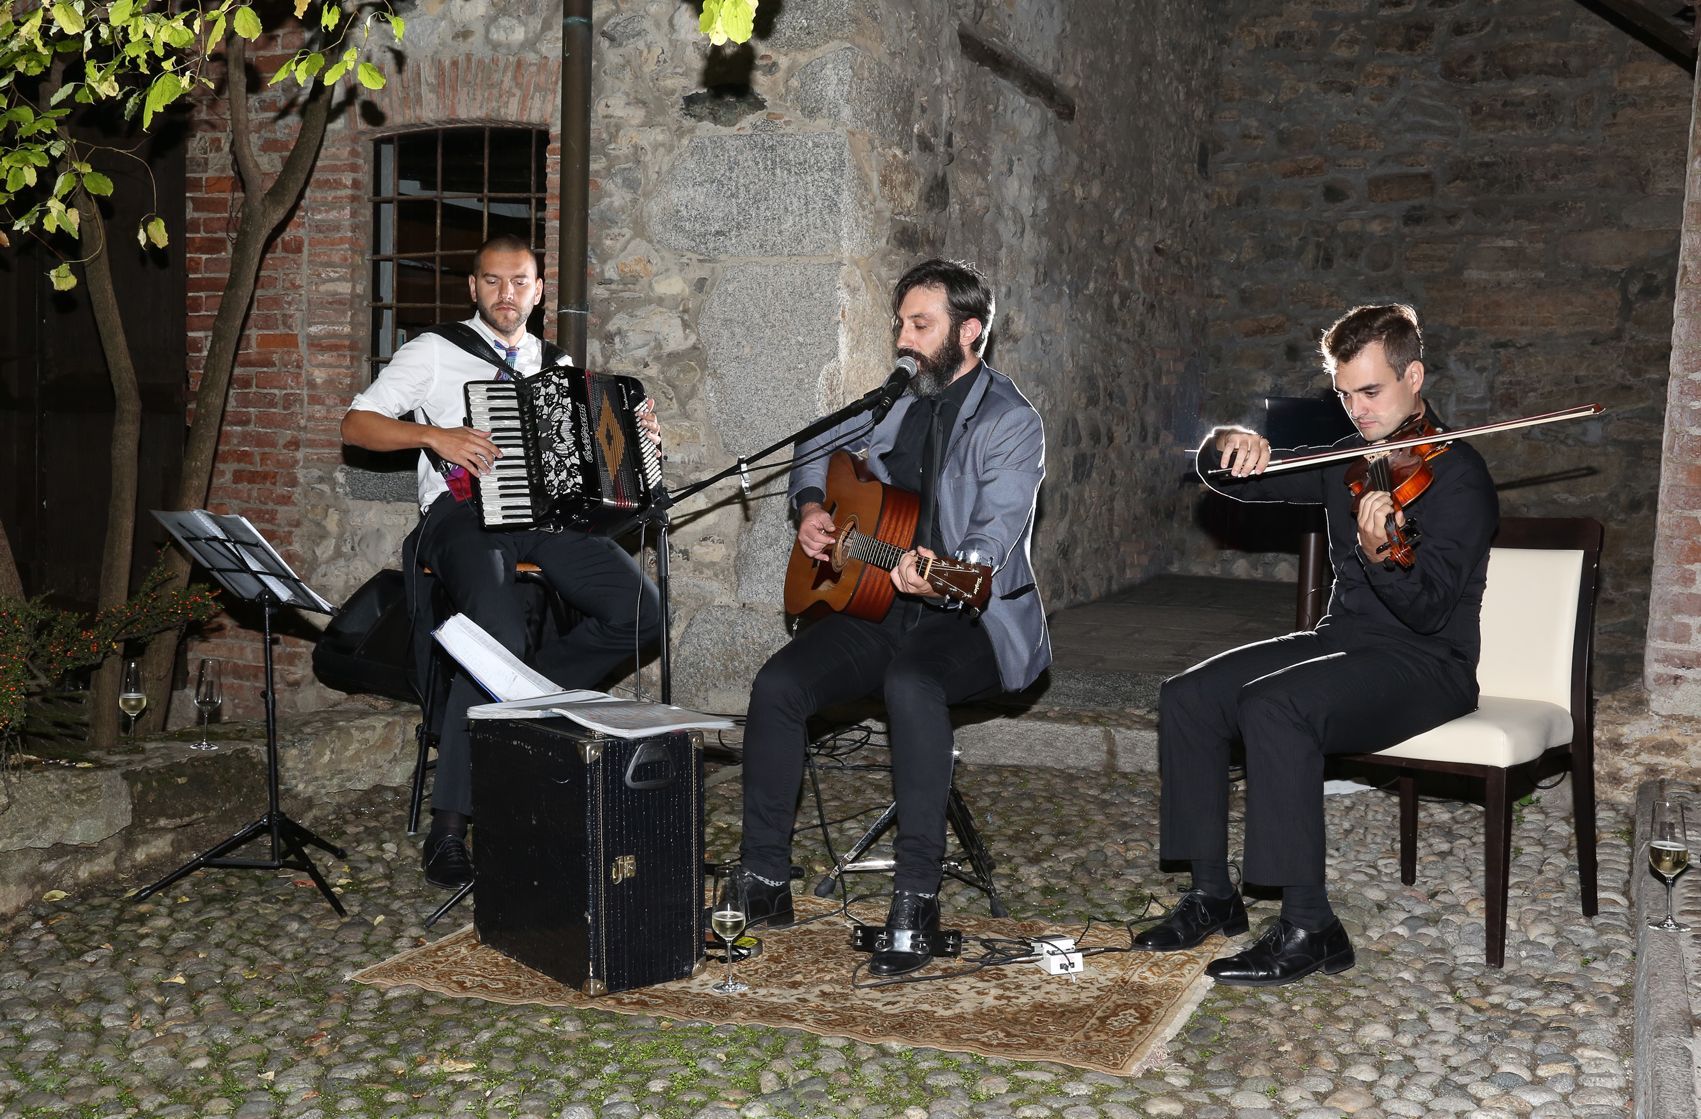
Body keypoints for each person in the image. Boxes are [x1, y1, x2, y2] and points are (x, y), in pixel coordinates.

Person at [1134, 303, 1497, 986]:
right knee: (1186, 695)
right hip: (1344, 641)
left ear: (1413, 376)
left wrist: (1384, 551)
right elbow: (1229, 478)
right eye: (1343, 393)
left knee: (1277, 706)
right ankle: (1212, 895)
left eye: (1370, 391)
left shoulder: (1458, 476)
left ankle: (1311, 925)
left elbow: (1426, 610)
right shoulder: (1347, 460)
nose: (1356, 410)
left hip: (1426, 663)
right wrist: (1227, 445)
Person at [731, 258, 1050, 976]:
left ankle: (915, 900)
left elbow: (995, 533)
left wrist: (946, 566)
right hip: (878, 603)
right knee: (777, 686)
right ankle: (764, 879)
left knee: (912, 683)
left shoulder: (1009, 420)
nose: (903, 339)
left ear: (969, 332)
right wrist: (812, 507)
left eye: (920, 325)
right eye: (900, 324)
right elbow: (816, 442)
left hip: (969, 615)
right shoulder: (897, 400)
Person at [342, 234, 662, 890]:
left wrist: (639, 440)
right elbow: (357, 423)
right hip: (460, 519)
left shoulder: (558, 362)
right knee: (495, 637)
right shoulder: (434, 351)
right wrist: (434, 434)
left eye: (518, 282)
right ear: (473, 287)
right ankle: (451, 826)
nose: (505, 294)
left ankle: (523, 702)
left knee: (640, 614)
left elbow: (593, 461)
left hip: (543, 519)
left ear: (538, 290)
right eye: (491, 281)